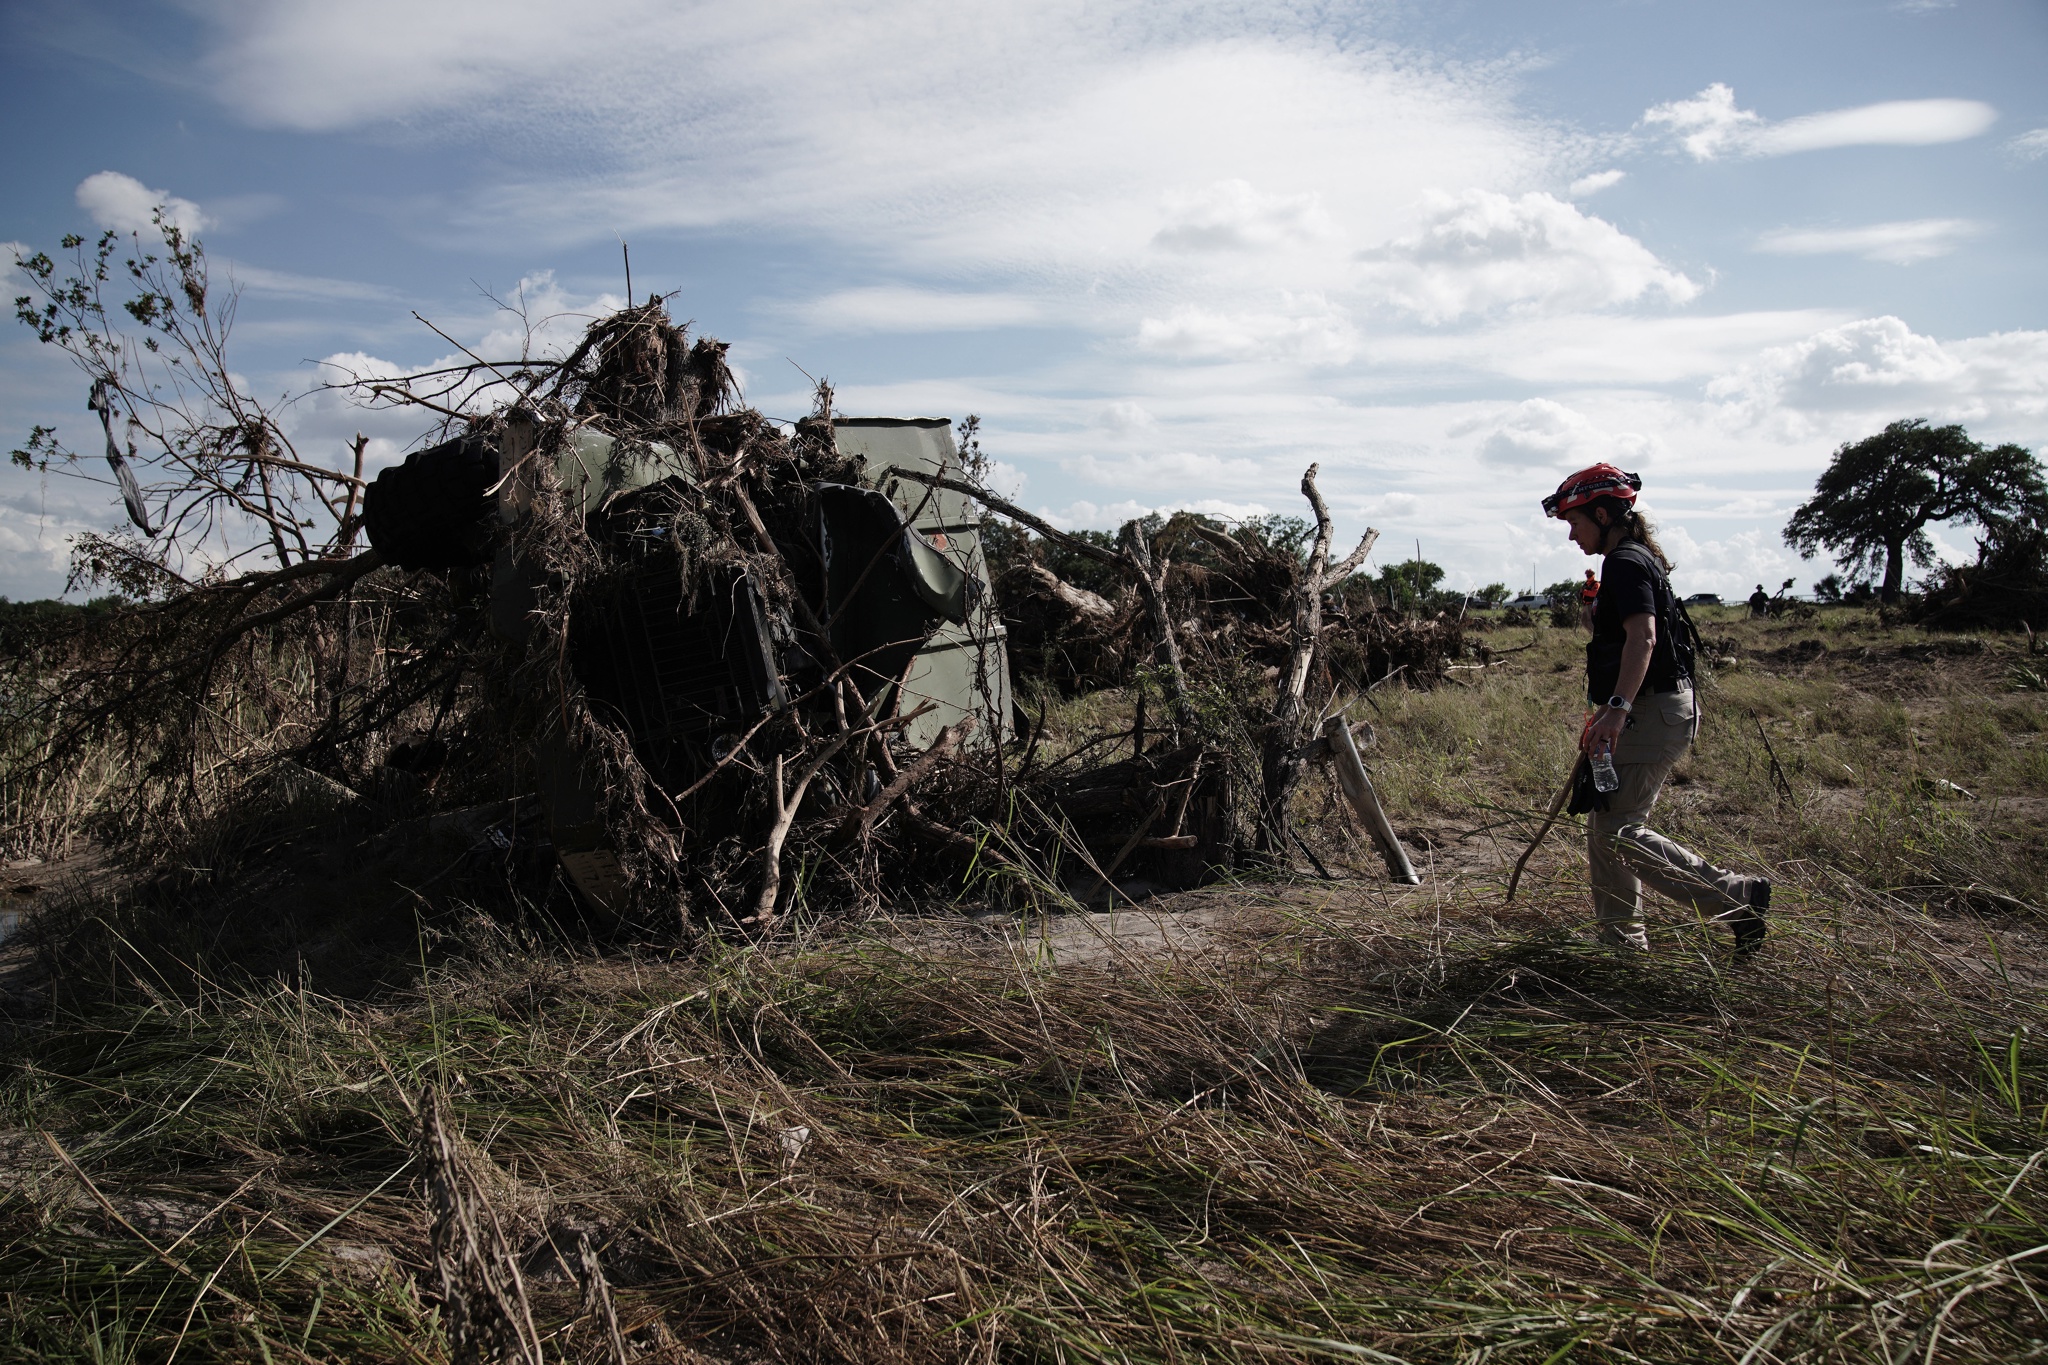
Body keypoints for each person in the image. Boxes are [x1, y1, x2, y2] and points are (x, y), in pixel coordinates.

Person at [1543, 464, 1771, 955]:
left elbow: (1644, 639)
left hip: (1650, 712)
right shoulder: (1634, 559)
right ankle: (1622, 949)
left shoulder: (1624, 561)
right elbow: (1631, 638)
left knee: (1619, 834)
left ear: (1603, 514)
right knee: (1607, 832)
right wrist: (1596, 620)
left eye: (1575, 522)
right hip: (1656, 710)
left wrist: (1617, 710)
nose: (1571, 535)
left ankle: (1737, 898)